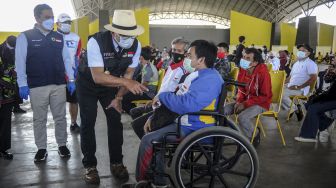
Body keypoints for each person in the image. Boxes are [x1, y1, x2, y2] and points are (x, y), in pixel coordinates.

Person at [134, 40, 223, 187]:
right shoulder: (199, 74)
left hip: (195, 126)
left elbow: (186, 104)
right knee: (146, 126)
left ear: (201, 59)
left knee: (148, 140)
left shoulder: (209, 79)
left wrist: (163, 97)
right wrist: (155, 114)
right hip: (185, 120)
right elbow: (179, 96)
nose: (186, 57)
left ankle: (145, 180)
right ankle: (157, 176)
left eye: (190, 54)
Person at [76, 10, 148, 184]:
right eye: (125, 35)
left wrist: (119, 98)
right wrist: (125, 82)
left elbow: (129, 75)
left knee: (115, 121)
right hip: (88, 85)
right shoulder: (96, 42)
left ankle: (117, 163)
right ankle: (90, 166)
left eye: (132, 34)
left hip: (112, 85)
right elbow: (98, 77)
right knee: (88, 122)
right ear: (114, 32)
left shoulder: (135, 45)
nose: (129, 38)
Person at [15, 4, 75, 162]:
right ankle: (41, 148)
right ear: (37, 18)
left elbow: (67, 60)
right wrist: (22, 83)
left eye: (52, 16)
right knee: (39, 119)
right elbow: (19, 62)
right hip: (37, 85)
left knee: (60, 117)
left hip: (58, 84)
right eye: (47, 17)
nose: (51, 20)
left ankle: (62, 144)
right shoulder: (25, 36)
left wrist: (71, 79)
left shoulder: (58, 37)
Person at [129, 37, 190, 139]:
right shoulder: (171, 66)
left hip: (168, 107)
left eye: (179, 51)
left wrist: (155, 111)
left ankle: (152, 145)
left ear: (185, 53)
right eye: (174, 50)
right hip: (159, 102)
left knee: (137, 125)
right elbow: (164, 87)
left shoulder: (185, 71)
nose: (175, 53)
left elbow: (175, 94)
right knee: (134, 112)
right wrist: (155, 98)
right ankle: (151, 141)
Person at [224, 48, 272, 146]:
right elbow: (241, 89)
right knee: (222, 111)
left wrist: (245, 104)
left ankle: (254, 135)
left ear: (255, 62)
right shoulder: (243, 70)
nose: (243, 60)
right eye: (244, 57)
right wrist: (239, 101)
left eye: (248, 58)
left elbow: (265, 96)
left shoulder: (263, 73)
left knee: (242, 118)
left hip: (261, 103)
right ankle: (220, 135)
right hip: (245, 101)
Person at [295, 67, 336, 142]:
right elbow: (327, 80)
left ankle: (309, 136)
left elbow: (332, 93)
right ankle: (323, 124)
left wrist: (319, 98)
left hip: (333, 98)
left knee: (314, 107)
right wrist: (332, 73)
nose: (334, 59)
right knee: (309, 105)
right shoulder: (331, 69)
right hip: (331, 97)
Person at [56, 13, 82, 132]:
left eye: (69, 22)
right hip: (56, 75)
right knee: (58, 103)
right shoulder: (52, 36)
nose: (67, 25)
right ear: (58, 24)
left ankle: (73, 123)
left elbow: (77, 56)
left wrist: (76, 69)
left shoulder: (76, 38)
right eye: (64, 22)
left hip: (71, 76)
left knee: (73, 101)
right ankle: (60, 125)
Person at [281, 44, 318, 121]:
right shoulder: (296, 63)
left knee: (280, 94)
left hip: (300, 89)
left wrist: (299, 87)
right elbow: (290, 77)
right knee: (273, 91)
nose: (300, 52)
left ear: (308, 53)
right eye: (299, 50)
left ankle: (294, 109)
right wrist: (281, 84)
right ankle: (293, 108)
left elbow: (313, 78)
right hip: (291, 86)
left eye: (303, 51)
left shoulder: (310, 64)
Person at [122, 46, 159, 113]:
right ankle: (135, 112)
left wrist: (133, 88)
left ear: (141, 57)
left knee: (124, 98)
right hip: (147, 91)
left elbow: (144, 85)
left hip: (148, 94)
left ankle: (136, 114)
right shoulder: (147, 65)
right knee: (126, 94)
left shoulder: (148, 69)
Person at [0, 36, 26, 113]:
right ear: (7, 42)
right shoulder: (1, 48)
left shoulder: (17, 46)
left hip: (16, 72)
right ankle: (8, 108)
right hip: (5, 75)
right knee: (8, 92)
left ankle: (17, 107)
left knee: (16, 90)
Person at [0, 54, 16, 160]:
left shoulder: (7, 66)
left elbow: (13, 79)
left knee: (5, 125)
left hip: (6, 98)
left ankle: (3, 149)